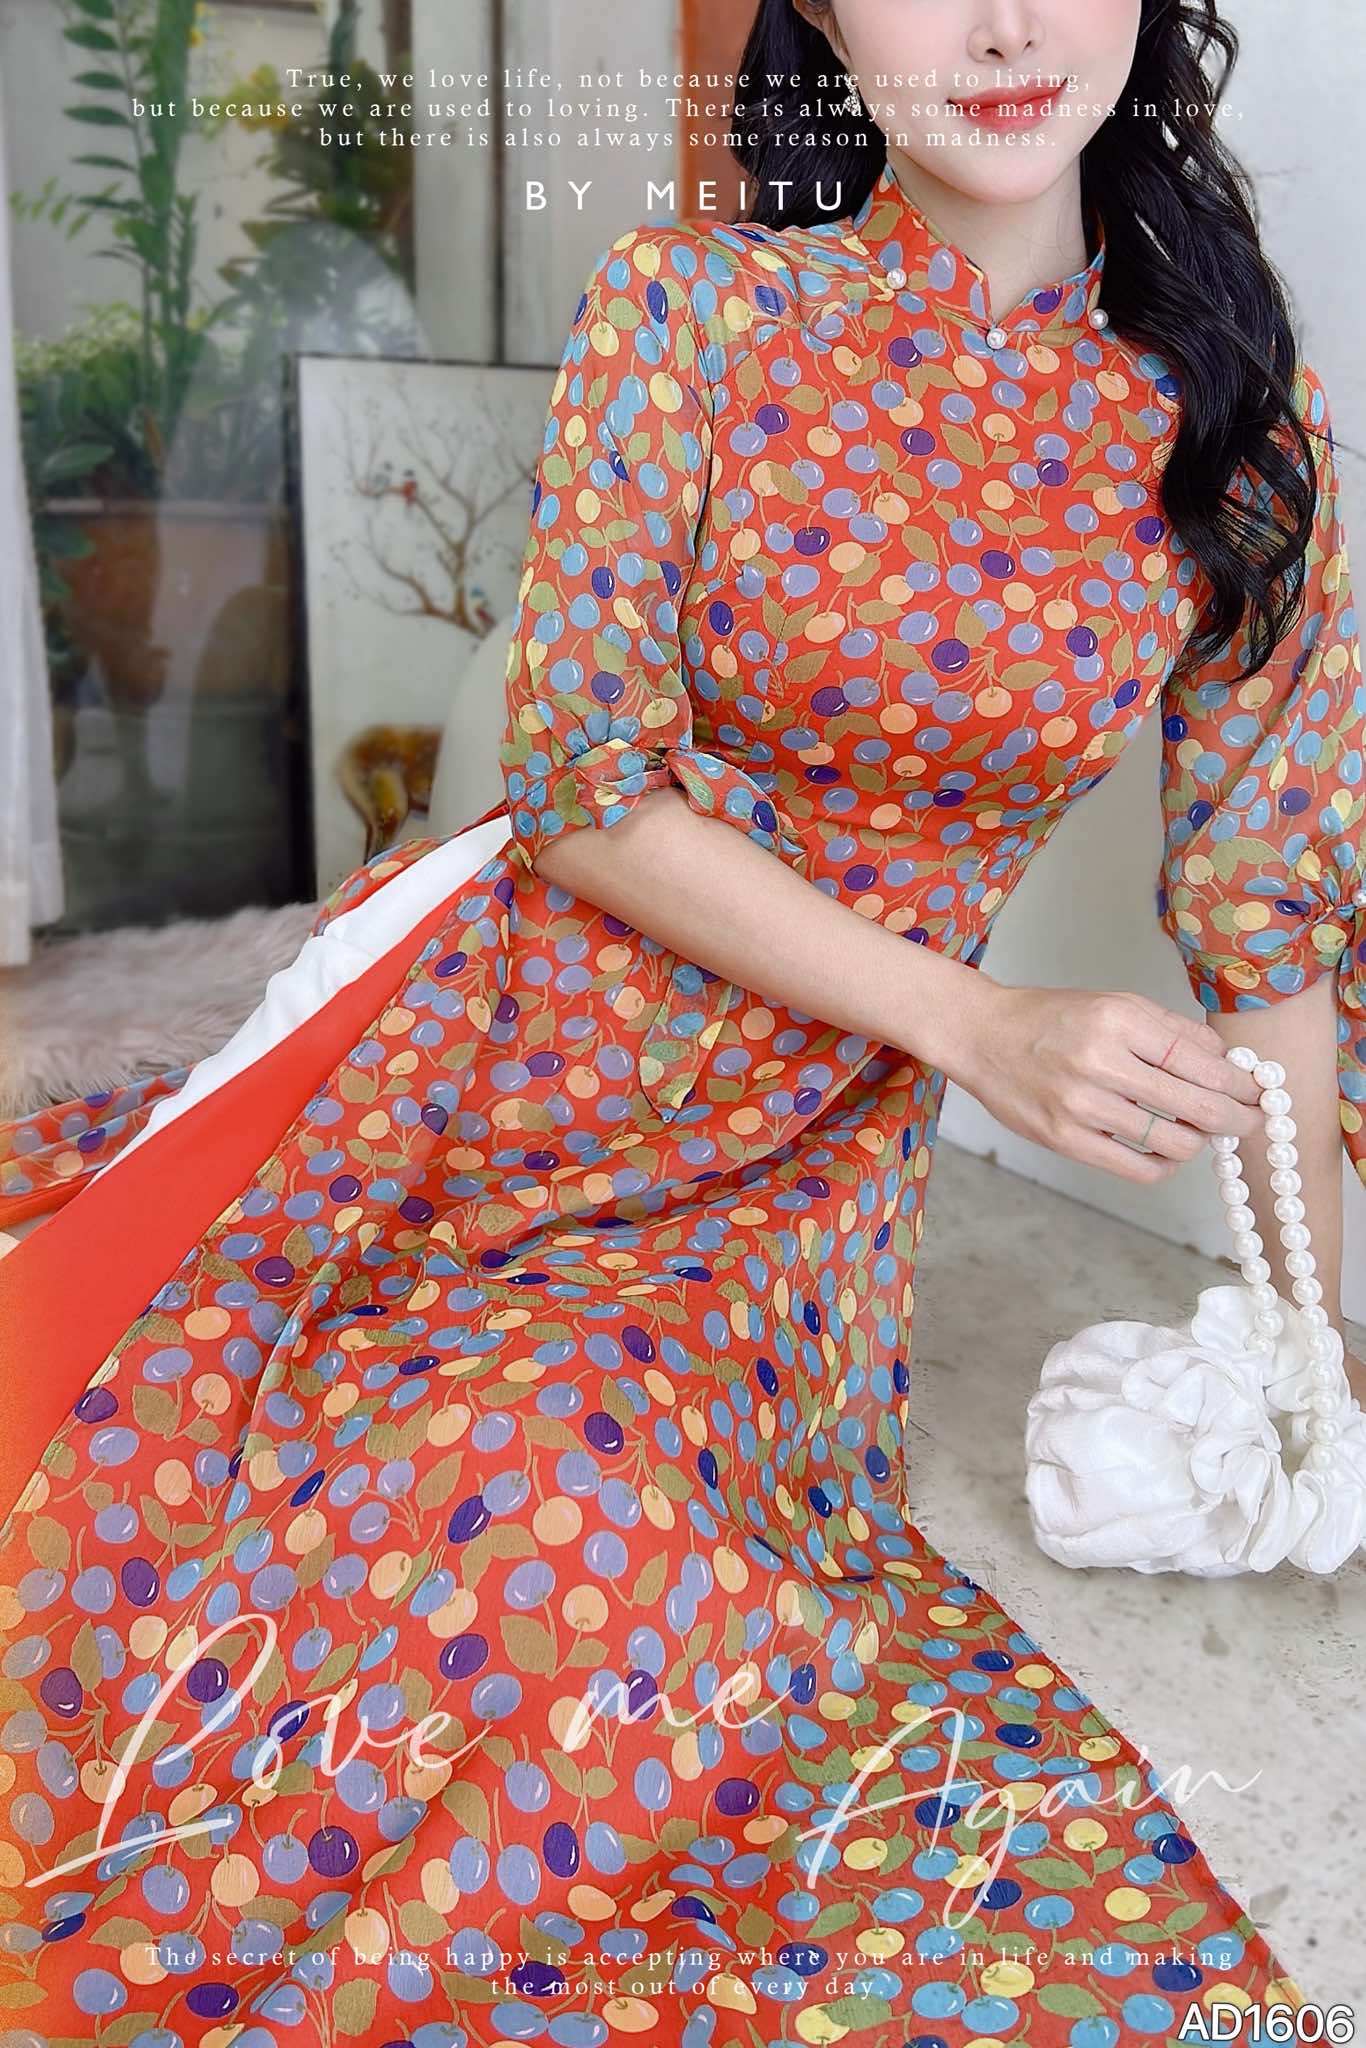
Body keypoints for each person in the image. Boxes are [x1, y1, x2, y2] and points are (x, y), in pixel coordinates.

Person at [0, 0, 1361, 2036]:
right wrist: (979, 1028)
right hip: (490, 1039)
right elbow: (580, 790)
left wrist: (1303, 1364)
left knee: (552, 1500)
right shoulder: (696, 306)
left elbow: (1270, 934)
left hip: (792, 1169)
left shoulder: (1231, 417)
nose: (1001, 23)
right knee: (172, 1457)